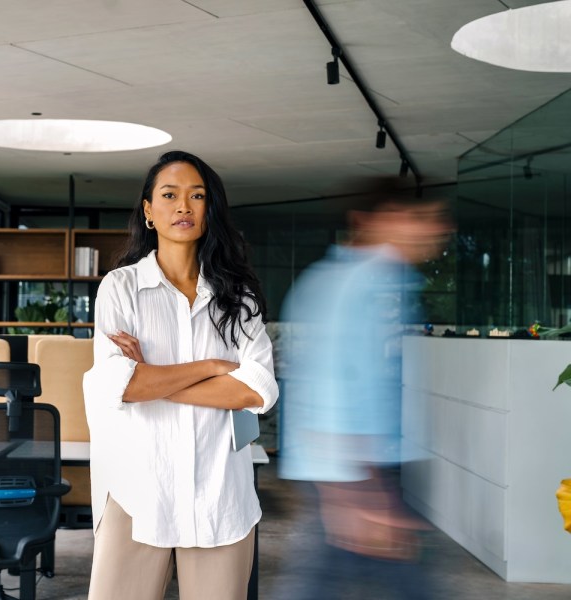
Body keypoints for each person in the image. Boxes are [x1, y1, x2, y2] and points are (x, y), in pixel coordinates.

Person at [83, 150, 278, 600]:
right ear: (149, 211)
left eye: (197, 196)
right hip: (136, 491)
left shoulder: (239, 297)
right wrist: (211, 368)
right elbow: (122, 384)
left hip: (220, 495)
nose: (183, 206)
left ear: (210, 209)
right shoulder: (121, 288)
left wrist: (151, 379)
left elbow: (257, 390)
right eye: (169, 195)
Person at [277, 177, 453, 599]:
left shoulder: (370, 281)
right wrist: (361, 495)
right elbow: (336, 386)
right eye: (419, 219)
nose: (435, 231)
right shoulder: (362, 286)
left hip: (356, 471)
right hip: (351, 473)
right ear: (378, 221)